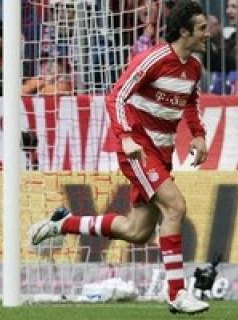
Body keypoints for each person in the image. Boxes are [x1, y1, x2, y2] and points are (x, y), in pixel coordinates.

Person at [29, 0, 210, 314]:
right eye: (203, 28)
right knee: (176, 206)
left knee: (137, 230)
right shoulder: (153, 59)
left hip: (162, 151)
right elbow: (117, 96)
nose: (209, 34)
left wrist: (197, 134)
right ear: (184, 31)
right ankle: (178, 294)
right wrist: (126, 137)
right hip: (138, 148)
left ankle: (63, 224)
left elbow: (191, 102)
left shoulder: (193, 67)